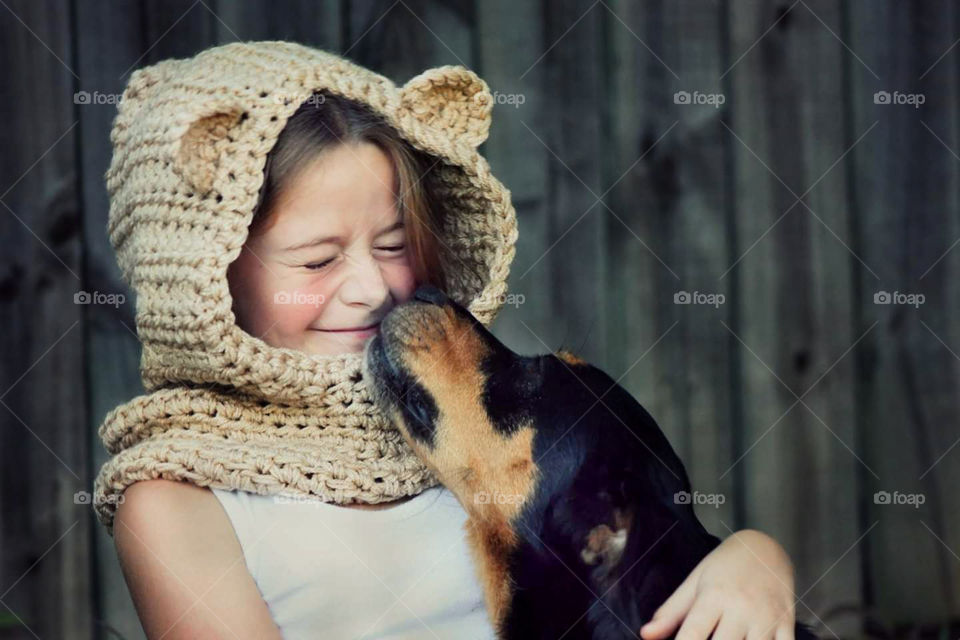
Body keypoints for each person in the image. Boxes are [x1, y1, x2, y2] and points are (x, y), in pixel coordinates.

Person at [93, 41, 803, 639]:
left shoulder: (458, 408)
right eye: (317, 260)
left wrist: (752, 558)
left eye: (394, 244)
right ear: (203, 274)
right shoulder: (177, 500)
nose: (372, 289)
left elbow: (635, 556)